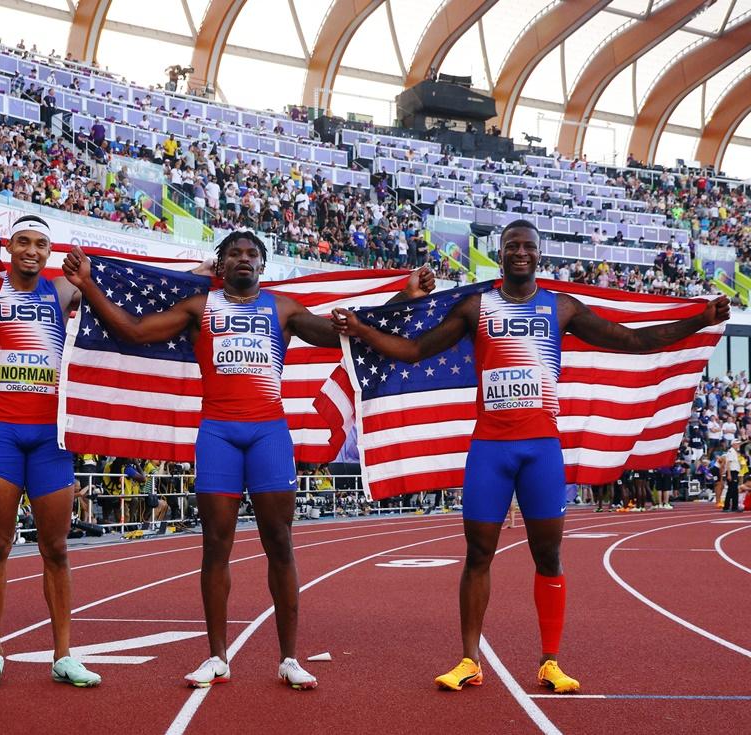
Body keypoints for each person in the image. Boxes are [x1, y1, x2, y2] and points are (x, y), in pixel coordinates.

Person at [333, 219, 729, 694]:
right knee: (478, 553)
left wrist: (700, 320)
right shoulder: (477, 307)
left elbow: (634, 341)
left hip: (541, 450)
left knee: (548, 554)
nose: (520, 252)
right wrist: (359, 328)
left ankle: (550, 661)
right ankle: (469, 660)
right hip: (490, 450)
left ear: (539, 255)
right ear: (500, 255)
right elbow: (415, 350)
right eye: (511, 246)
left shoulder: (561, 309)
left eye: (528, 247)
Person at [62, 230, 434, 690]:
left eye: (252, 254)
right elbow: (135, 332)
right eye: (234, 253)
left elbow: (343, 332)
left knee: (280, 543)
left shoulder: (283, 309)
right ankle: (217, 656)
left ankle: (289, 658)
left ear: (263, 265)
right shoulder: (200, 308)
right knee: (216, 546)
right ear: (220, 265)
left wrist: (404, 295)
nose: (243, 259)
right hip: (218, 434)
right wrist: (88, 285)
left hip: (268, 436)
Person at [0, 214, 101, 690]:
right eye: (22, 242)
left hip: (50, 436)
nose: (31, 250)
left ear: (49, 251)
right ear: (9, 246)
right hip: (1, 431)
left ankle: (63, 654)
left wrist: (202, 268)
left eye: (40, 244)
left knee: (57, 548)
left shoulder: (62, 293)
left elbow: (124, 287)